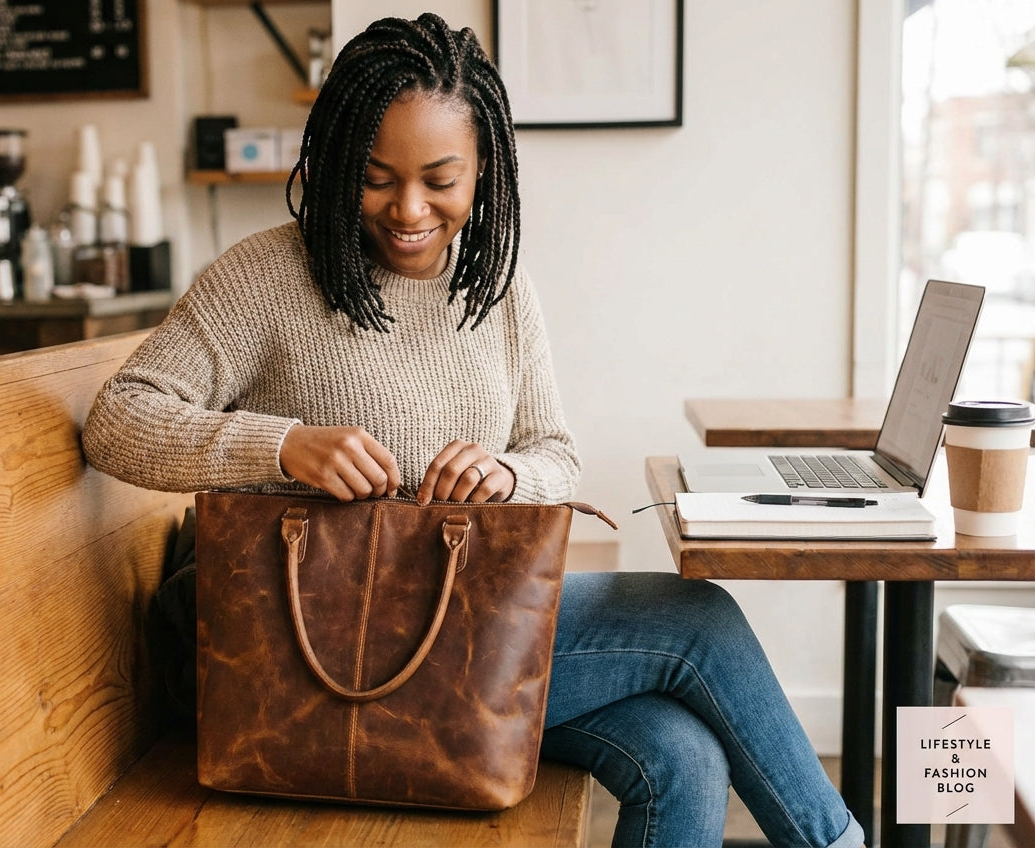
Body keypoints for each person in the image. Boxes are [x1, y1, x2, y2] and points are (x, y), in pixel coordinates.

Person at [82, 13, 864, 848]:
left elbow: (557, 453)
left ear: (484, 167)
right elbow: (118, 418)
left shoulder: (496, 289)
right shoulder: (264, 277)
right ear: (337, 161)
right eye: (375, 177)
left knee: (681, 755)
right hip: (314, 651)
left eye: (440, 179)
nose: (409, 208)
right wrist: (283, 445)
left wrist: (507, 475)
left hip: (457, 626)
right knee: (697, 619)